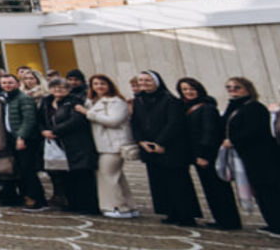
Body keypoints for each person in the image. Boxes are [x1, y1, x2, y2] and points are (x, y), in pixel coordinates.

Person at [131, 70, 199, 226]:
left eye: (148, 80)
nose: (144, 84)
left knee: (178, 183)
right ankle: (171, 212)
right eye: (141, 81)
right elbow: (135, 123)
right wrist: (141, 141)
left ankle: (186, 215)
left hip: (170, 148)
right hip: (149, 148)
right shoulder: (139, 100)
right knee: (160, 183)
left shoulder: (170, 100)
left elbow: (174, 123)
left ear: (156, 82)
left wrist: (160, 143)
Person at [177, 77, 239, 230]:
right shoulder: (187, 106)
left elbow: (209, 132)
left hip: (207, 155)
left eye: (191, 89)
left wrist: (203, 155)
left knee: (218, 188)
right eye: (184, 89)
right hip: (198, 154)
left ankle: (228, 221)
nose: (188, 92)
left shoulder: (207, 107)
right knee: (210, 188)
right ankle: (221, 218)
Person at [222, 77, 279, 235]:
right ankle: (272, 222)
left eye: (237, 87)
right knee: (259, 190)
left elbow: (255, 131)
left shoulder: (255, 107)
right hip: (248, 156)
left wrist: (233, 140)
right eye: (229, 87)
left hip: (263, 157)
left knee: (270, 191)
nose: (232, 90)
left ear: (248, 89)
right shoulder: (236, 106)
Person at [45, 75, 99, 216]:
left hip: (77, 142)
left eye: (62, 87)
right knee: (65, 175)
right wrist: (43, 131)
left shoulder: (74, 101)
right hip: (58, 144)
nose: (58, 90)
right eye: (55, 87)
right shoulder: (47, 102)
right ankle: (72, 203)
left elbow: (77, 120)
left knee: (82, 175)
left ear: (68, 89)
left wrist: (55, 131)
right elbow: (41, 119)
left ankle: (89, 205)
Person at [87, 74, 138, 219]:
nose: (99, 86)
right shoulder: (92, 102)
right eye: (96, 84)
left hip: (114, 144)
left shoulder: (117, 101)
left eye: (102, 83)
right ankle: (129, 206)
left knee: (107, 176)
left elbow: (114, 120)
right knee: (117, 176)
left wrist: (90, 114)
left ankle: (116, 206)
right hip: (103, 144)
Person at [1, 74, 47, 212]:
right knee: (21, 170)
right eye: (4, 83)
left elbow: (29, 120)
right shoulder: (8, 99)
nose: (7, 85)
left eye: (10, 82)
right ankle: (28, 197)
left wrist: (21, 137)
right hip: (13, 137)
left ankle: (37, 200)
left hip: (25, 139)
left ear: (17, 83)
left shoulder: (24, 98)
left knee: (28, 170)